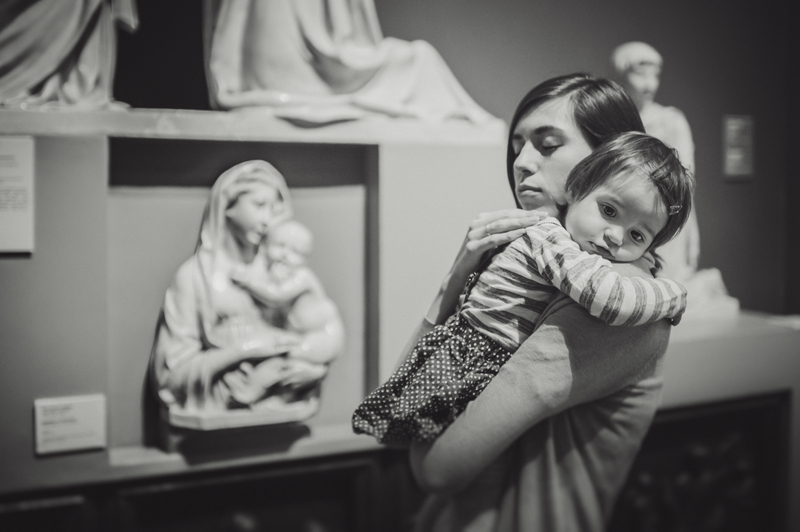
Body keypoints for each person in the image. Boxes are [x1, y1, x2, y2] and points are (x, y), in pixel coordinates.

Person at [388, 73, 676, 531]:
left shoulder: (609, 298)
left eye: (547, 145)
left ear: (610, 157)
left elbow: (436, 467)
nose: (521, 163)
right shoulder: (540, 267)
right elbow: (402, 407)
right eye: (517, 146)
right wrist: (454, 279)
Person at [353, 131, 692, 444]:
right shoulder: (551, 238)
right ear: (576, 189)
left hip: (478, 356)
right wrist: (674, 295)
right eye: (608, 210)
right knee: (435, 451)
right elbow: (609, 299)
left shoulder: (577, 250)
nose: (616, 237)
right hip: (473, 360)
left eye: (637, 235)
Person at [149, 160, 340, 427]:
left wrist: (310, 371)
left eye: (274, 209)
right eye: (259, 205)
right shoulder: (194, 277)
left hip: (280, 412)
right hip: (214, 419)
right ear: (228, 205)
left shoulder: (279, 272)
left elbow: (310, 331)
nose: (268, 220)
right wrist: (245, 350)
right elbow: (171, 378)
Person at [228, 219, 346, 405]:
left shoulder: (302, 276)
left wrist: (248, 282)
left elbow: (276, 295)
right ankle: (276, 395)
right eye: (280, 246)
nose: (285, 255)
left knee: (284, 357)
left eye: (296, 252)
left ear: (305, 260)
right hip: (305, 335)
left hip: (324, 335)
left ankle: (252, 393)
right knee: (284, 358)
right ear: (265, 246)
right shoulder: (277, 274)